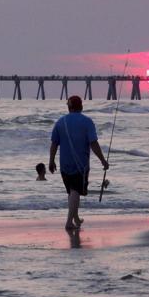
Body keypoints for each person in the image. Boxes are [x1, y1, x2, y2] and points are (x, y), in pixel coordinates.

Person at [50, 96, 109, 230]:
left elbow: (54, 144)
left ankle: (75, 218)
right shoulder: (87, 122)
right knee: (76, 191)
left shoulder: (60, 122)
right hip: (80, 164)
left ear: (69, 107)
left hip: (64, 163)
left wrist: (51, 160)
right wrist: (102, 160)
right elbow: (93, 143)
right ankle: (69, 222)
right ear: (81, 106)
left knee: (71, 191)